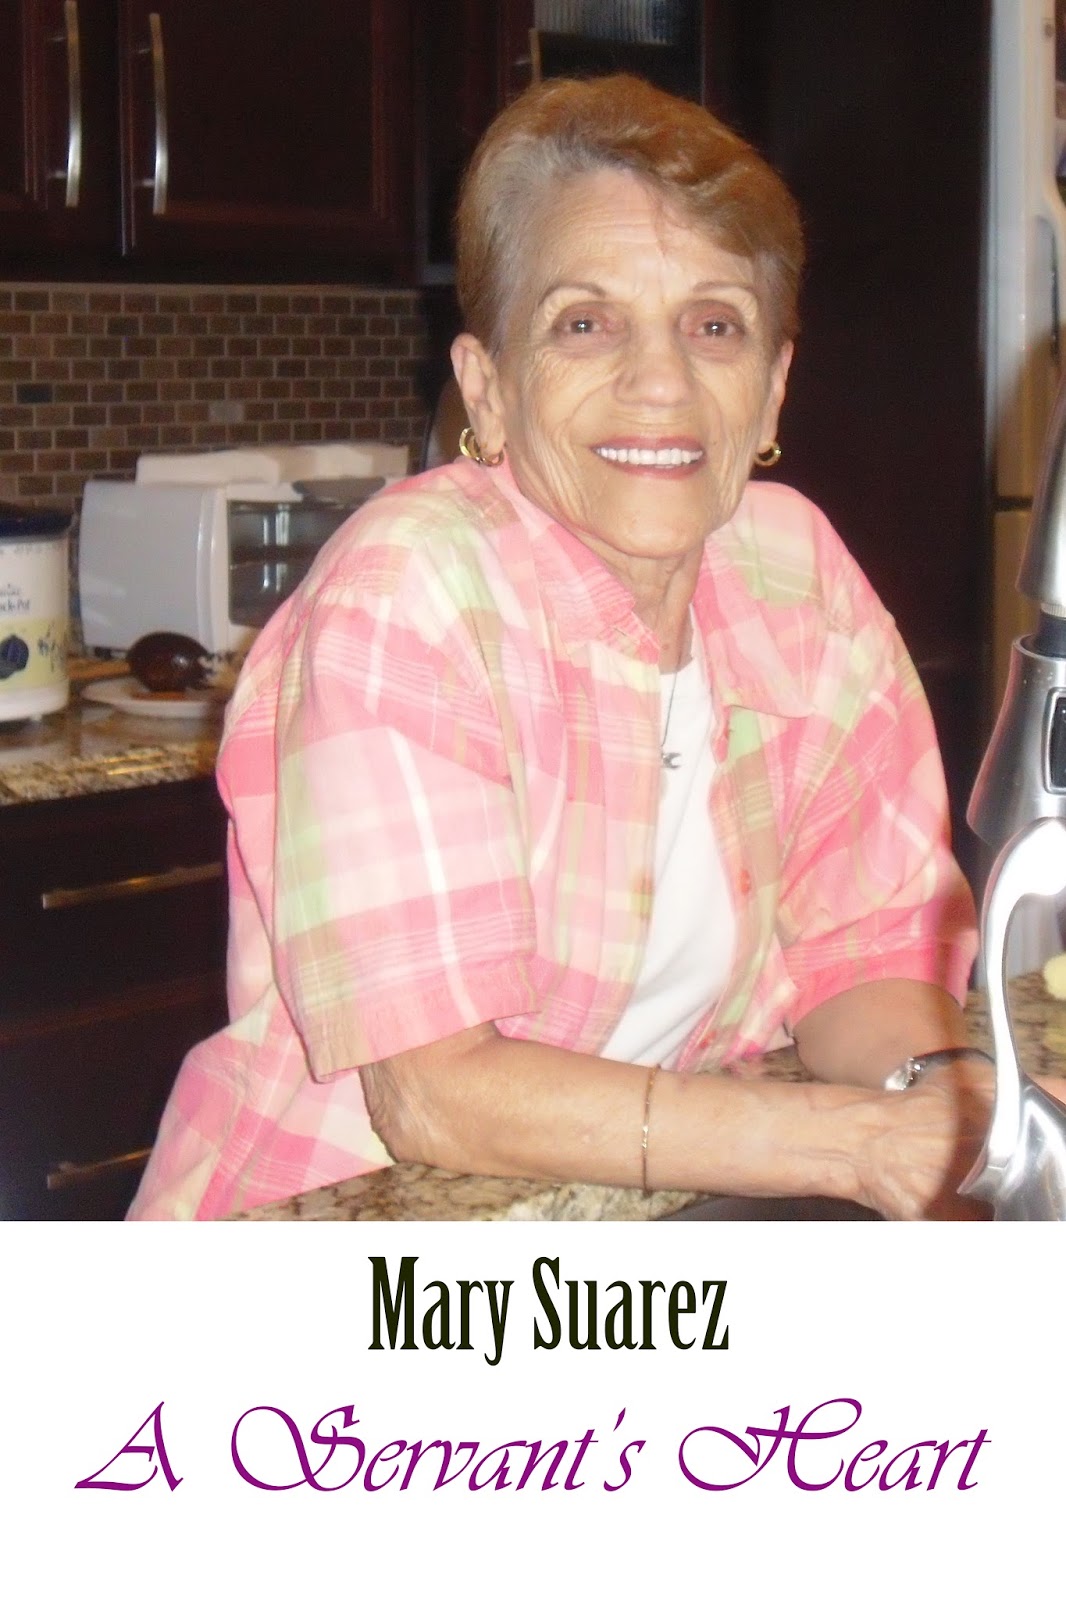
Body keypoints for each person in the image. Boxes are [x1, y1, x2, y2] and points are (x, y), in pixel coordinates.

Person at [131, 74, 1004, 1223]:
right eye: (584, 324)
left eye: (714, 324)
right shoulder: (410, 593)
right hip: (341, 1235)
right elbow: (436, 1094)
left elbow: (865, 947)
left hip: (620, 1224)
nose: (661, 381)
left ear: (772, 385)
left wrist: (954, 1105)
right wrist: (857, 1146)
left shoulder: (794, 574)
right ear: (487, 389)